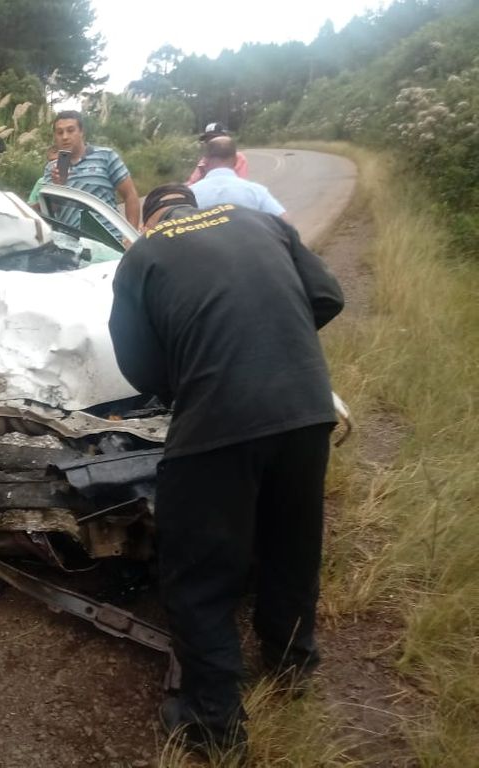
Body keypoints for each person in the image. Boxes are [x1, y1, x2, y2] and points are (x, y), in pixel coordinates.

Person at [108, 184, 344, 756]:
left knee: (200, 572)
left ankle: (214, 724)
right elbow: (328, 296)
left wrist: (198, 376)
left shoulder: (143, 253)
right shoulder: (259, 222)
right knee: (291, 542)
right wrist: (271, 351)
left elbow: (139, 368)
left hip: (217, 419)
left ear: (150, 218)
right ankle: (291, 665)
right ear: (195, 204)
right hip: (307, 408)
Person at [41, 110, 140, 230]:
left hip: (109, 241)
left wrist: (131, 237)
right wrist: (58, 187)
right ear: (55, 137)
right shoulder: (51, 168)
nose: (65, 137)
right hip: (69, 243)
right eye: (59, 132)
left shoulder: (106, 156)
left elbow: (130, 195)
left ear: (82, 132)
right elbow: (51, 211)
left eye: (71, 130)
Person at [190, 136, 290, 221]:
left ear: (205, 161)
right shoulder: (256, 192)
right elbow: (285, 222)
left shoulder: (190, 194)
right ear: (236, 160)